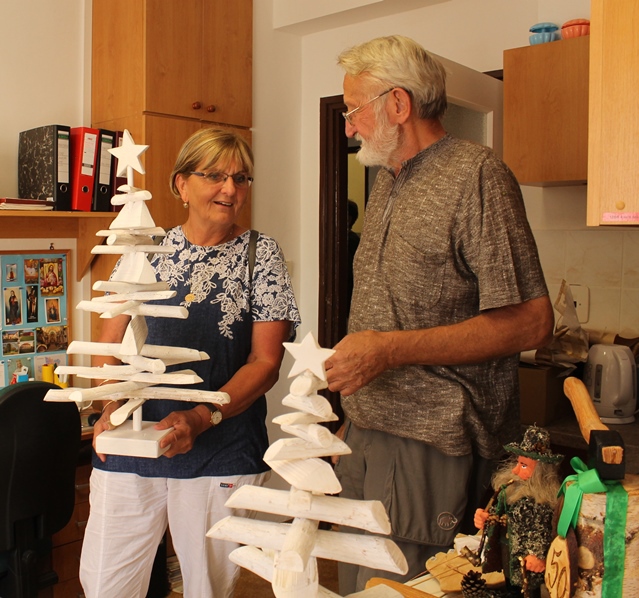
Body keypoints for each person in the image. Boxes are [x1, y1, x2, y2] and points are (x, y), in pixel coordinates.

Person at [324, 35, 554, 594]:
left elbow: (532, 321)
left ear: (398, 105)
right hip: (366, 434)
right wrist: (351, 415)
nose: (349, 127)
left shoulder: (477, 175)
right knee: (357, 586)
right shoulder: (387, 181)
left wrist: (388, 351)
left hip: (430, 445)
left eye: (354, 109)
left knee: (398, 588)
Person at [79, 128, 301, 598]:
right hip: (133, 441)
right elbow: (109, 341)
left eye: (241, 178)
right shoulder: (145, 248)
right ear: (181, 184)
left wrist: (202, 417)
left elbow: (265, 362)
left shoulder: (261, 256)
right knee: (105, 585)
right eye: (215, 176)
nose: (230, 189)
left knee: (205, 588)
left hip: (220, 448)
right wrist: (109, 408)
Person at [472, 426, 563, 598]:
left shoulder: (541, 504)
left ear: (540, 473)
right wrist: (485, 518)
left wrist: (538, 555)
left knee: (527, 589)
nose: (515, 470)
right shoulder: (510, 493)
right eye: (517, 463)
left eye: (524, 465)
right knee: (510, 582)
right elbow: (496, 515)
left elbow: (543, 532)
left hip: (526, 562)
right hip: (507, 551)